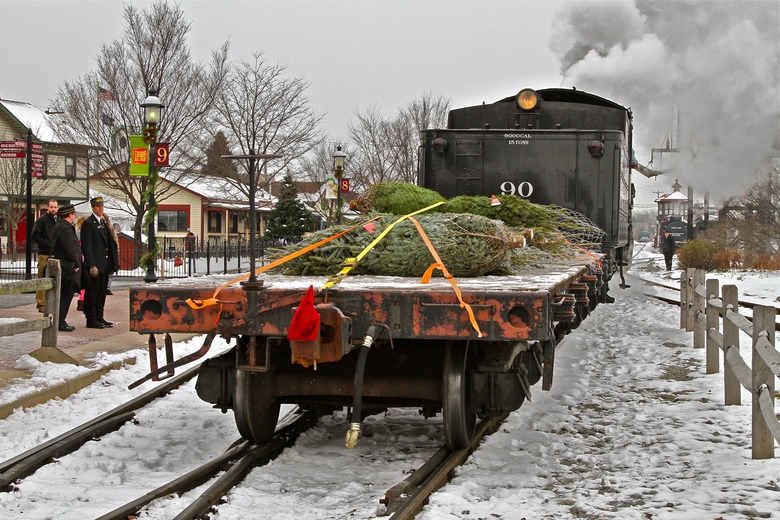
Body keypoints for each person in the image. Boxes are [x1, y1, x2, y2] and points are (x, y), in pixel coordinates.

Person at [80, 196, 119, 329]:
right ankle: (91, 319)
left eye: (102, 206)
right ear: (93, 208)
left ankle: (99, 316)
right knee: (93, 293)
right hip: (96, 265)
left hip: (104, 264)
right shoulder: (89, 223)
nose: (101, 208)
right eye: (98, 206)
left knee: (101, 292)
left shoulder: (102, 223)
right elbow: (87, 246)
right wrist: (91, 264)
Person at [51, 204, 81, 332]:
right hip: (67, 266)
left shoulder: (63, 226)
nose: (75, 216)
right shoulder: (65, 228)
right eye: (74, 214)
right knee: (65, 294)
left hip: (66, 265)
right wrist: (76, 264)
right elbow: (70, 248)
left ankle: (60, 320)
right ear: (69, 215)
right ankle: (60, 321)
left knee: (65, 294)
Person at [30, 199, 58, 312]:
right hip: (44, 254)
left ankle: (53, 302)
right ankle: (41, 304)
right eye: (51, 207)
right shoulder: (42, 220)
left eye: (55, 207)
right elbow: (34, 235)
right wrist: (46, 244)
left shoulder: (59, 220)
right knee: (42, 278)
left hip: (56, 254)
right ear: (47, 208)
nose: (53, 209)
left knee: (55, 279)